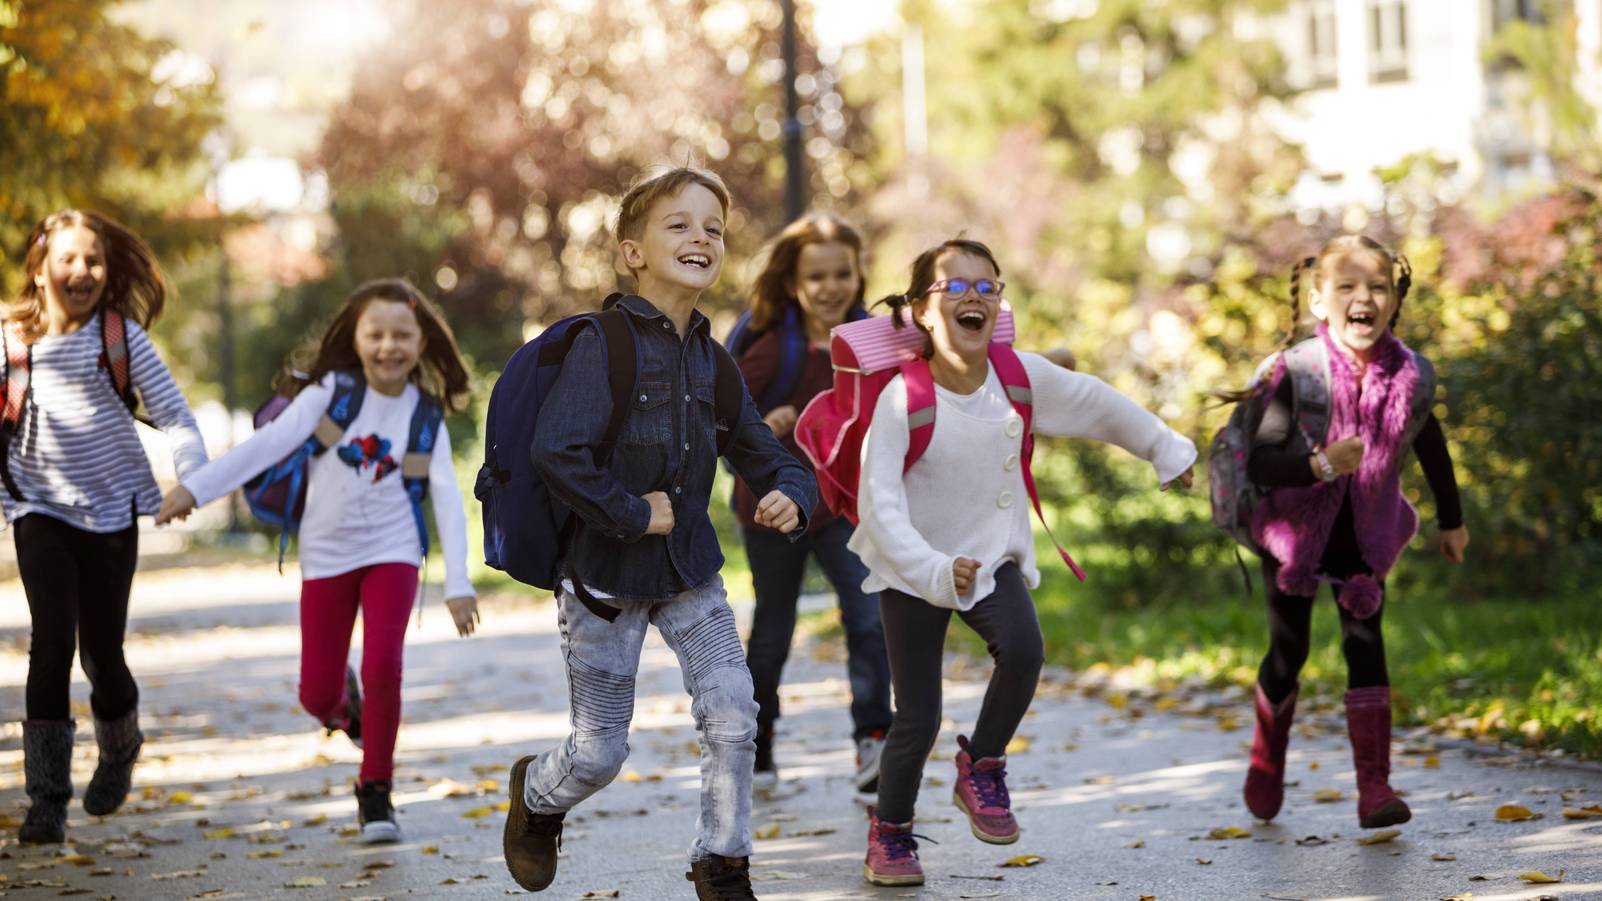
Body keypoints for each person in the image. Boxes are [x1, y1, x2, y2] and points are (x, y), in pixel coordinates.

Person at [501, 166, 817, 900]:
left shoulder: (713, 358)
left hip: (690, 572)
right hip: (604, 580)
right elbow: (557, 452)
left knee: (735, 710)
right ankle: (537, 797)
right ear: (632, 252)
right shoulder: (602, 344)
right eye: (679, 224)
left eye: (713, 227)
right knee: (599, 753)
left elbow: (761, 451)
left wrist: (790, 494)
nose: (701, 237)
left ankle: (723, 862)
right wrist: (633, 510)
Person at [850, 239, 1196, 886]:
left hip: (990, 556)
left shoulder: (1019, 377)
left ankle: (982, 763)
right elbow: (880, 506)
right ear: (923, 310)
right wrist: (929, 568)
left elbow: (1096, 403)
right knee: (917, 717)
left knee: (1026, 648)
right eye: (954, 287)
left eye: (987, 285)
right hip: (913, 568)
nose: (973, 296)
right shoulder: (902, 400)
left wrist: (1164, 449)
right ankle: (891, 831)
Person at [157, 278, 480, 844]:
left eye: (402, 335)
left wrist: (458, 583)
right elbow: (266, 446)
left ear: (422, 341)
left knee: (384, 667)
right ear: (354, 339)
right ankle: (348, 715)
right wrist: (196, 490)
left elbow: (447, 498)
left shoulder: (422, 414)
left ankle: (376, 790)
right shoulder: (331, 394)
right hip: (327, 557)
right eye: (375, 334)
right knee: (316, 695)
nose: (389, 346)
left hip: (393, 553)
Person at [1238, 236, 1467, 828]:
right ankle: (1267, 761)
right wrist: (1316, 466)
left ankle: (1375, 789)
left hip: (1365, 533)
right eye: (1347, 286)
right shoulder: (1300, 372)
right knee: (1290, 652)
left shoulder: (1408, 374)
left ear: (1393, 300)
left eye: (1378, 287)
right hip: (1293, 531)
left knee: (1366, 647)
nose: (1364, 298)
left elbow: (1430, 442)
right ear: (1320, 302)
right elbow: (1259, 461)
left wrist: (1451, 519)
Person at [5, 210, 208, 844]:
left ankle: (119, 747)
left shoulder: (119, 338)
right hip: (38, 508)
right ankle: (46, 801)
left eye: (93, 260)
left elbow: (176, 416)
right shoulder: (12, 342)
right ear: (39, 270)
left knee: (102, 653)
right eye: (66, 259)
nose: (81, 271)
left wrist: (189, 479)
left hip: (113, 512)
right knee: (51, 645)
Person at [730, 214, 892, 800]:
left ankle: (874, 738)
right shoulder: (776, 345)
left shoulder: (873, 337)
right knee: (774, 628)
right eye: (816, 275)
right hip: (774, 506)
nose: (830, 286)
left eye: (842, 273)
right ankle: (759, 741)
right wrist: (763, 426)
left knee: (869, 616)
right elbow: (725, 414)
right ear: (793, 280)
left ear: (858, 274)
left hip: (846, 504)